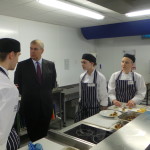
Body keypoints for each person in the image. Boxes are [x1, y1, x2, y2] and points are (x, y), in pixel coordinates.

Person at [14, 40, 56, 142]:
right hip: (30, 107)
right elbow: (17, 85)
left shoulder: (50, 65)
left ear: (42, 51)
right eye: (31, 48)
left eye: (35, 49)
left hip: (46, 106)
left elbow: (52, 84)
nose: (32, 51)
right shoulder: (22, 65)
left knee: (44, 134)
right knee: (33, 135)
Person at [0, 38, 21, 150]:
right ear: (11, 55)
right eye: (18, 55)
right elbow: (2, 133)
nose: (18, 60)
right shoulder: (8, 88)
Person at [75, 53, 108, 122]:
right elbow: (81, 93)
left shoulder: (100, 77)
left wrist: (103, 109)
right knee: (82, 129)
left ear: (92, 63)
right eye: (81, 62)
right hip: (83, 108)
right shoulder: (82, 76)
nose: (82, 64)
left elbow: (103, 95)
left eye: (84, 62)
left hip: (94, 109)